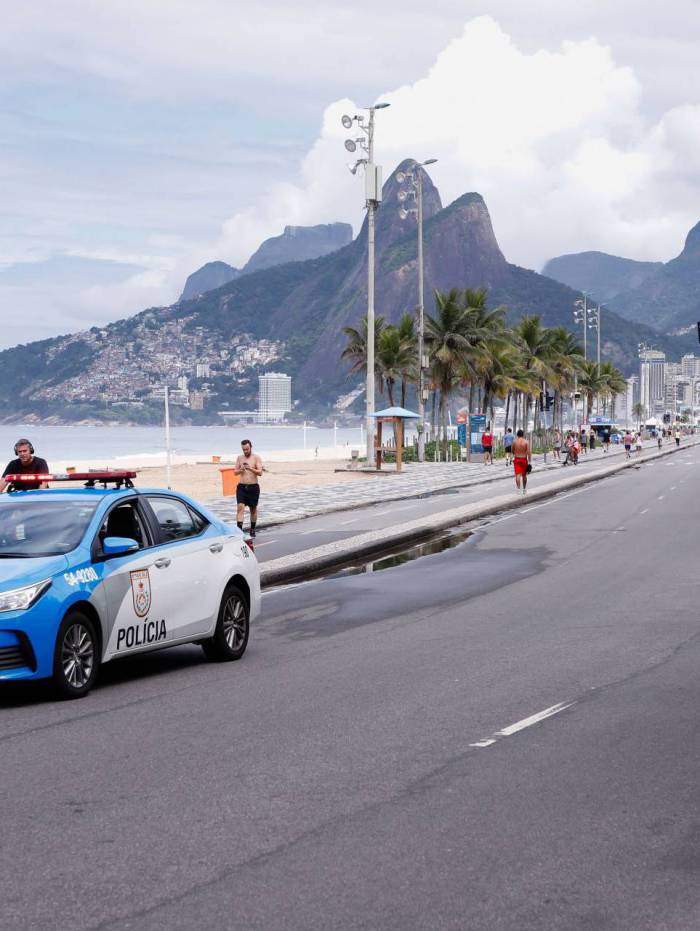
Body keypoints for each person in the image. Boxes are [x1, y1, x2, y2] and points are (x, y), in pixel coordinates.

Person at [234, 439, 263, 537]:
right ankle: (239, 531)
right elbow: (235, 472)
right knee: (240, 507)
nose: (245, 451)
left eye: (247, 449)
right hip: (242, 487)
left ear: (251, 447)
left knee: (253, 509)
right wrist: (241, 469)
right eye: (243, 450)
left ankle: (252, 529)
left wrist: (250, 468)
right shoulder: (239, 458)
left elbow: (260, 472)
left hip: (253, 487)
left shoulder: (256, 458)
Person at [512, 429, 531, 495]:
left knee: (517, 475)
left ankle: (518, 490)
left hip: (517, 459)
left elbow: (512, 450)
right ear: (523, 435)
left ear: (517, 435)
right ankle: (524, 489)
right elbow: (529, 452)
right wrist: (530, 462)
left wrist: (515, 454)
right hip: (524, 459)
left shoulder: (514, 442)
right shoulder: (526, 442)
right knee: (524, 475)